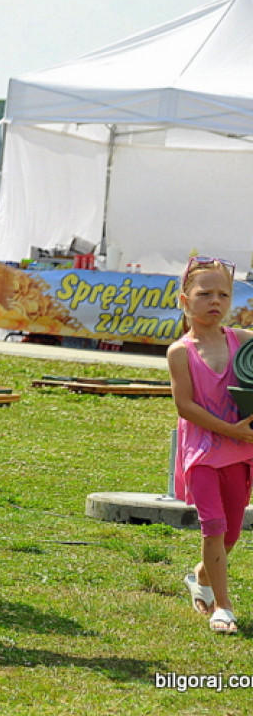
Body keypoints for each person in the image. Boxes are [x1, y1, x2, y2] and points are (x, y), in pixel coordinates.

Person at [168, 256, 253, 635]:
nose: (215, 301)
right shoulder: (180, 352)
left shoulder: (244, 343)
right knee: (214, 527)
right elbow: (185, 406)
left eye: (223, 294)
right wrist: (230, 430)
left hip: (241, 453)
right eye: (204, 294)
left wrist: (241, 433)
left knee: (232, 533)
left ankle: (200, 576)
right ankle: (224, 607)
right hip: (201, 453)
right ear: (185, 300)